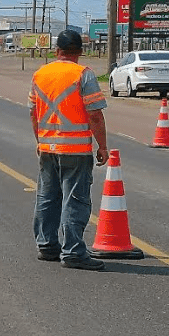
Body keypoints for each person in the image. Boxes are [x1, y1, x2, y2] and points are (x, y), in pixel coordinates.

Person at [28, 29, 109, 270]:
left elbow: (33, 112)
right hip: (75, 151)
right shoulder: (84, 74)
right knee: (75, 200)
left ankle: (47, 245)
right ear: (80, 52)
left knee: (47, 196)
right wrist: (102, 146)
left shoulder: (40, 74)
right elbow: (94, 113)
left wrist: (39, 141)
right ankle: (73, 251)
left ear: (57, 51)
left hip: (47, 147)